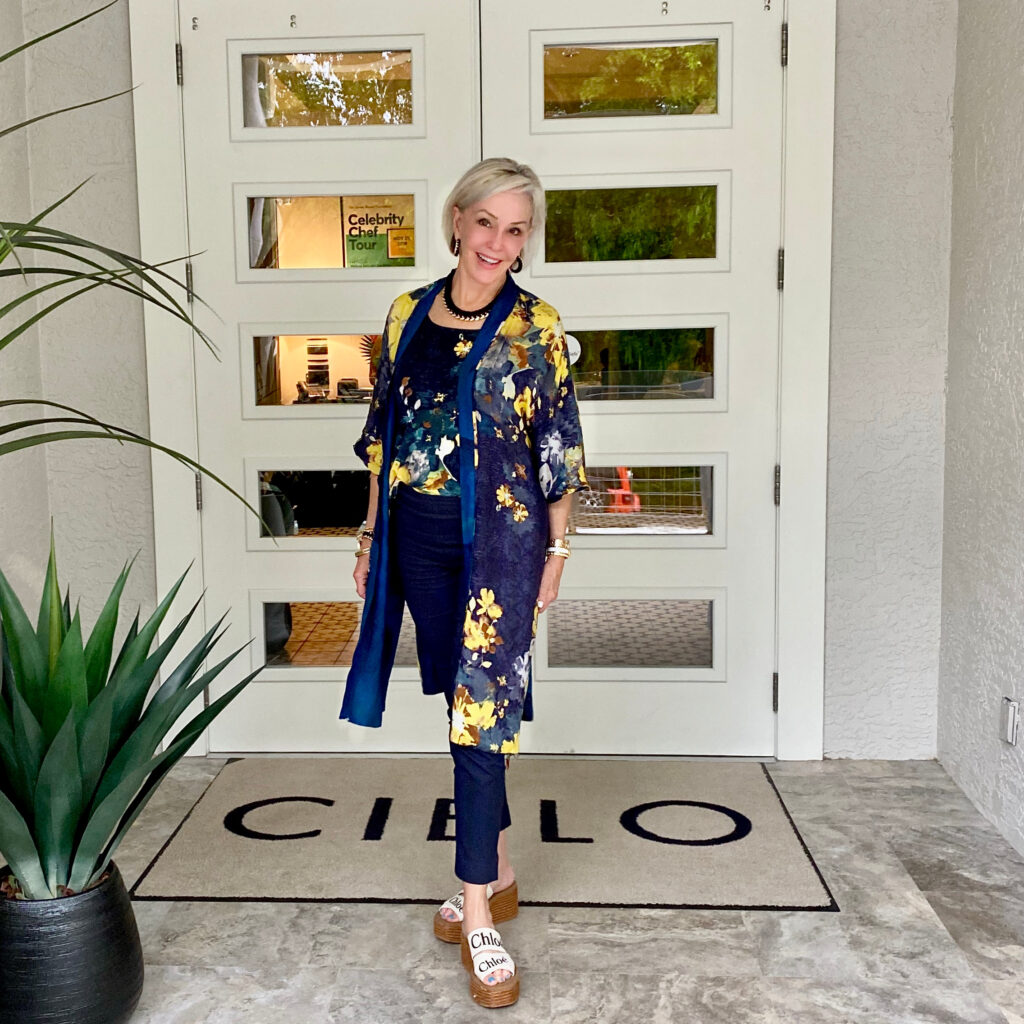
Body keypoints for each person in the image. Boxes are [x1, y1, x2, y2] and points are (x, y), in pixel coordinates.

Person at [339, 157, 587, 1008]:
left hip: (503, 552)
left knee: (480, 722)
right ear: (457, 221)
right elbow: (385, 434)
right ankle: (504, 868)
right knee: (460, 706)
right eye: (487, 223)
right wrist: (371, 534)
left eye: (517, 230)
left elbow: (559, 451)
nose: (499, 243)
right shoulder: (408, 311)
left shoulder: (536, 327)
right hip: (418, 541)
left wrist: (558, 557)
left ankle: (478, 912)